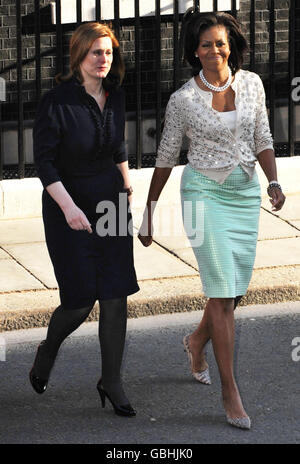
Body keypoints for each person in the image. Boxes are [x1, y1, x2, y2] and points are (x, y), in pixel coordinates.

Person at [138, 10, 285, 429]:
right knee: (222, 294)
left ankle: (196, 340)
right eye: (205, 45)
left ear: (230, 45)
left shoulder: (252, 83)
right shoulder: (183, 100)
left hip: (243, 194)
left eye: (220, 43)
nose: (214, 50)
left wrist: (273, 180)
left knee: (232, 291)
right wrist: (147, 212)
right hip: (203, 193)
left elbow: (263, 138)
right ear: (194, 52)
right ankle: (229, 390)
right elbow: (166, 157)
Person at [30, 22, 139, 417]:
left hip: (111, 203)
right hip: (68, 207)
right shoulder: (56, 101)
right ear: (78, 56)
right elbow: (44, 162)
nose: (103, 59)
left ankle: (111, 381)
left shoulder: (116, 95)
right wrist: (69, 208)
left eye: (108, 52)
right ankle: (48, 350)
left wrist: (127, 188)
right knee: (79, 301)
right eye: (96, 52)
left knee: (115, 295)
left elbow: (119, 146)